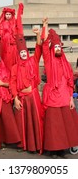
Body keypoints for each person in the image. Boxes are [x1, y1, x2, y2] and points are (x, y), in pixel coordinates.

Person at [42, 17, 78, 158]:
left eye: (59, 47)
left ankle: (62, 148)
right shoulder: (49, 60)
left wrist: (70, 99)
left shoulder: (65, 63)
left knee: (65, 124)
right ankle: (53, 149)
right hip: (52, 96)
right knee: (53, 125)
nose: (57, 48)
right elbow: (45, 46)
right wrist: (45, 25)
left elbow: (70, 83)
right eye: (55, 47)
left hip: (64, 97)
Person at [10, 27, 43, 154]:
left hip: (32, 96)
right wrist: (15, 98)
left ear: (27, 52)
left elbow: (38, 49)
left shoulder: (33, 61)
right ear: (18, 54)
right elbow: (12, 83)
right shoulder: (14, 67)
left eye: (24, 52)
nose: (23, 54)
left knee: (35, 121)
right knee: (22, 122)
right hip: (21, 96)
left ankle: (37, 144)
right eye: (21, 53)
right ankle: (24, 145)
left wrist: (38, 34)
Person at [0, 7, 17, 71]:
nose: (8, 16)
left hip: (12, 44)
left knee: (12, 60)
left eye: (9, 14)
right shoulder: (1, 23)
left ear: (12, 15)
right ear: (4, 15)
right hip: (4, 43)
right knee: (4, 59)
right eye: (7, 14)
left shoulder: (14, 23)